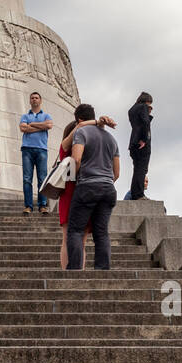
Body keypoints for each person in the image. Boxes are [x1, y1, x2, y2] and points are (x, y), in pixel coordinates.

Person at [57, 113, 116, 271]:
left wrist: (82, 177)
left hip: (84, 188)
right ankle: (102, 270)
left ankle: (74, 271)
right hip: (106, 187)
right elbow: (116, 173)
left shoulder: (81, 135)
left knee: (74, 232)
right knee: (101, 233)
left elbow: (76, 160)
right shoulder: (111, 140)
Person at [19, 91, 53, 215]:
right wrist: (40, 127)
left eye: (36, 98)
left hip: (41, 150)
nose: (34, 99)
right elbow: (23, 128)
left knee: (42, 179)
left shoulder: (46, 115)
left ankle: (42, 205)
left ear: (40, 100)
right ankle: (28, 206)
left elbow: (49, 125)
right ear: (30, 101)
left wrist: (32, 125)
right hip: (27, 149)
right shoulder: (25, 116)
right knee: (27, 179)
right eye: (32, 98)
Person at [128, 92, 153, 201]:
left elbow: (137, 124)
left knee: (137, 168)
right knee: (141, 169)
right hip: (142, 142)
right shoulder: (143, 107)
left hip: (133, 141)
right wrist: (144, 139)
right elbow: (145, 123)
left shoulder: (131, 109)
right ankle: (139, 194)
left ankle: (135, 193)